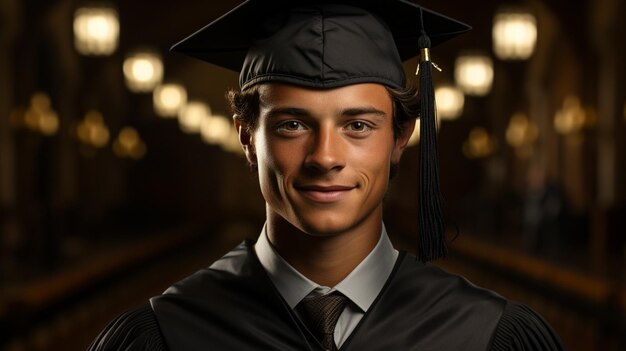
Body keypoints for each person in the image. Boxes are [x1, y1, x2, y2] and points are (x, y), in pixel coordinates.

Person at [89, 0, 564, 350]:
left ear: (400, 138)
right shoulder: (164, 336)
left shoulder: (486, 335)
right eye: (292, 125)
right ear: (246, 138)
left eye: (357, 125)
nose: (325, 156)